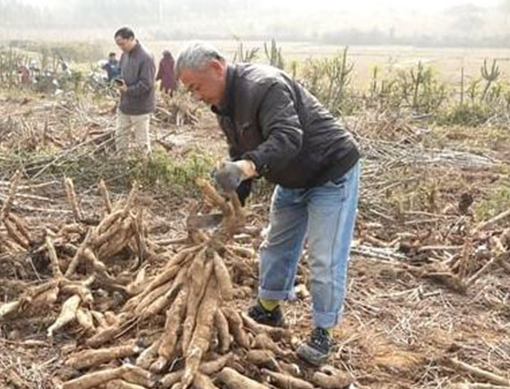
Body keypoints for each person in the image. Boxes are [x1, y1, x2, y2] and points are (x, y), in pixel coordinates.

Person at [176, 43, 361, 365]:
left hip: (330, 172)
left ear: (217, 68)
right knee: (275, 246)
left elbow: (288, 137)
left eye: (196, 86)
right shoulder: (225, 106)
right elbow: (240, 155)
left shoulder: (264, 86)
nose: (196, 96)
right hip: (291, 177)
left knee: (323, 257)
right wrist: (229, 207)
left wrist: (245, 168)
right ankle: (269, 309)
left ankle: (323, 331)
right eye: (190, 90)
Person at [113, 27, 155, 154]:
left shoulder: (146, 57)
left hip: (140, 108)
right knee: (120, 137)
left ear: (131, 39)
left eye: (122, 44)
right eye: (118, 45)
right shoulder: (124, 55)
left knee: (142, 141)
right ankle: (121, 165)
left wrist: (128, 89)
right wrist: (119, 84)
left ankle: (146, 168)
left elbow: (146, 84)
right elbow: (121, 73)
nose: (120, 47)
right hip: (125, 105)